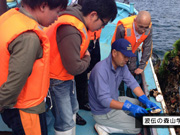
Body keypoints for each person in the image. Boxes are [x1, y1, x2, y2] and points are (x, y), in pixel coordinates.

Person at [44, 0, 117, 134]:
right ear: (93, 15)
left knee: (73, 109)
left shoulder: (78, 19)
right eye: (103, 23)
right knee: (64, 119)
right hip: (56, 80)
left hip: (65, 77)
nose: (102, 28)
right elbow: (75, 68)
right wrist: (87, 57)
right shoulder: (71, 30)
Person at [0, 0, 68, 134]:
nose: (57, 17)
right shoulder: (28, 37)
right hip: (25, 111)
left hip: (10, 107)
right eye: (57, 12)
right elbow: (14, 85)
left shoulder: (10, 17)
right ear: (43, 6)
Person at [88, 39, 161, 135]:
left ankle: (120, 116)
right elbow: (105, 101)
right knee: (137, 127)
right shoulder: (100, 71)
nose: (127, 59)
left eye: (128, 56)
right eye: (124, 56)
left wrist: (145, 99)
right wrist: (129, 106)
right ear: (114, 53)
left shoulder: (121, 66)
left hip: (114, 99)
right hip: (103, 112)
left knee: (139, 103)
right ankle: (104, 127)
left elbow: (133, 83)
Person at [111, 11, 153, 75]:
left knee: (132, 70)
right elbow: (116, 48)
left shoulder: (149, 29)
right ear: (135, 21)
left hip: (132, 51)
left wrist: (141, 66)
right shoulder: (122, 28)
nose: (143, 30)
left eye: (146, 28)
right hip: (119, 51)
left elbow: (147, 47)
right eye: (140, 27)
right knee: (116, 70)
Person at [74, 29, 102, 119]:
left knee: (94, 67)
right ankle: (75, 107)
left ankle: (83, 101)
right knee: (80, 74)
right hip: (84, 42)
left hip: (94, 40)